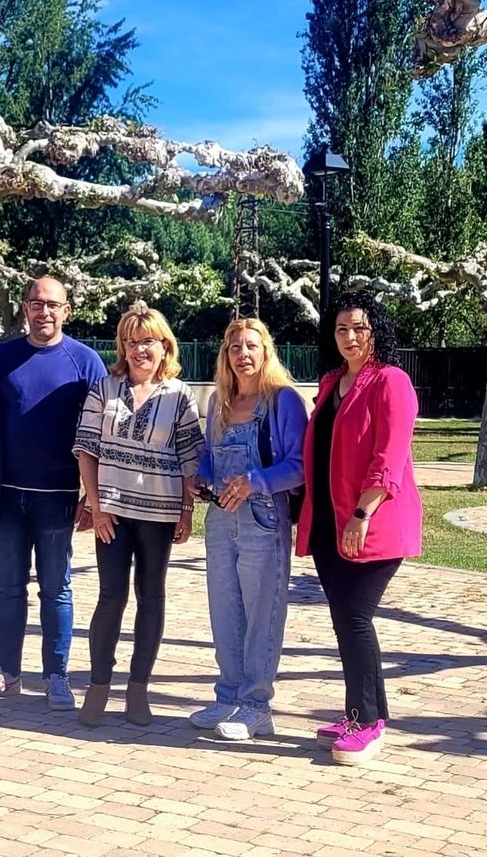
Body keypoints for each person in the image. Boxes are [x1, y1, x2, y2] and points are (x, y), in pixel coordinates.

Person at [0, 277, 106, 711]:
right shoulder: (1, 358)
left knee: (56, 589)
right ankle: (6, 672)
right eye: (36, 303)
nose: (44, 311)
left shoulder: (85, 362)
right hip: (8, 496)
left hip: (58, 496)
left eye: (52, 304)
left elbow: (101, 433)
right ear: (25, 308)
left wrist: (93, 496)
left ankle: (56, 676)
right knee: (8, 588)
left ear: (67, 310)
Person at [299, 292, 422, 765]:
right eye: (342, 329)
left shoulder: (391, 381)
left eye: (359, 328)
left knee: (354, 617)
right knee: (346, 620)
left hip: (372, 521)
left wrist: (361, 514)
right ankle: (360, 712)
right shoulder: (332, 382)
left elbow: (388, 457)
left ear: (376, 331)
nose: (350, 337)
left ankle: (368, 724)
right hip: (329, 521)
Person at [73, 301, 203, 728]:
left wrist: (186, 510)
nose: (139, 350)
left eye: (147, 341)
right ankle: (98, 685)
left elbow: (190, 457)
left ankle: (138, 688)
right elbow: (87, 450)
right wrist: (96, 505)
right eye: (131, 342)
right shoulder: (105, 388)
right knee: (111, 597)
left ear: (165, 346)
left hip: (159, 514)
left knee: (151, 596)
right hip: (112, 512)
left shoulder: (180, 395)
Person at [188, 318, 307, 742]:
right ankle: (228, 695)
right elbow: (209, 454)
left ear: (266, 351)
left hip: (263, 518)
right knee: (225, 611)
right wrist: (201, 478)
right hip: (221, 519)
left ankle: (256, 705)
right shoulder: (221, 402)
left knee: (262, 613)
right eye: (235, 347)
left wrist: (255, 482)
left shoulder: (283, 401)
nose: (243, 354)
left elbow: (300, 465)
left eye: (251, 346)